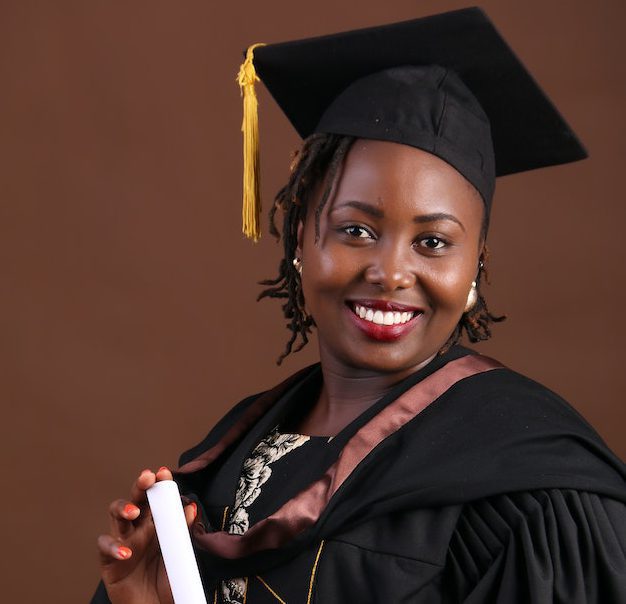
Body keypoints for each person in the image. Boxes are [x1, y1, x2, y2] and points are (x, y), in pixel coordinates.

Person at [92, 8, 626, 603]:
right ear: (299, 238)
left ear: (476, 265)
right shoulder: (229, 454)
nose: (391, 272)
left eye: (433, 242)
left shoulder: (527, 487)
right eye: (356, 230)